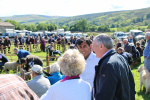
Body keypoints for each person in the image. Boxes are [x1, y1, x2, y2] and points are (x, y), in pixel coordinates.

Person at [92, 34, 135, 100]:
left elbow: (105, 95)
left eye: (94, 46)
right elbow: (131, 84)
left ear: (101, 46)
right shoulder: (120, 57)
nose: (92, 49)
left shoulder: (108, 64)